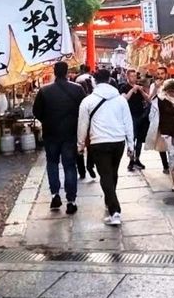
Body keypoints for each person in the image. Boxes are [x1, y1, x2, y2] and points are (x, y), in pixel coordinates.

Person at [78, 68, 134, 226]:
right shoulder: (120, 99)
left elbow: (82, 125)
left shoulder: (88, 101)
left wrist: (80, 145)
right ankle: (111, 200)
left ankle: (114, 210)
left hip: (99, 141)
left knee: (105, 175)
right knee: (112, 173)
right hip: (118, 141)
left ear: (94, 81)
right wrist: (131, 144)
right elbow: (127, 122)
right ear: (109, 79)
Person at [32, 61, 85, 215]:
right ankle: (71, 201)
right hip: (70, 133)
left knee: (52, 163)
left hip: (51, 133)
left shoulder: (45, 91)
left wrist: (47, 121)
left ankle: (55, 194)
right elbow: (83, 110)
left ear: (54, 72)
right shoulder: (77, 89)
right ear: (67, 72)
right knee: (69, 165)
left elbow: (37, 111)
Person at [147, 78, 174, 191]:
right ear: (166, 90)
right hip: (167, 132)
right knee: (171, 156)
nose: (173, 93)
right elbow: (152, 116)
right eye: (171, 91)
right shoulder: (159, 100)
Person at [119, 68, 150, 171]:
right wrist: (132, 90)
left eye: (135, 76)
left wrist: (141, 90)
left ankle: (137, 159)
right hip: (130, 116)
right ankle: (131, 160)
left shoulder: (140, 87)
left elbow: (148, 99)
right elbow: (125, 99)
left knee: (140, 140)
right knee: (131, 139)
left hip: (141, 115)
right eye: (131, 76)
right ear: (127, 77)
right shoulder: (124, 87)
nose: (134, 78)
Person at [149, 65, 171, 174]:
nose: (160, 76)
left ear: (166, 74)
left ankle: (173, 163)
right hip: (159, 116)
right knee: (161, 142)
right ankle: (165, 165)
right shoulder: (154, 85)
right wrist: (156, 88)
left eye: (162, 73)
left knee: (172, 141)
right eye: (158, 74)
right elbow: (150, 99)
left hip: (170, 117)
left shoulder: (171, 84)